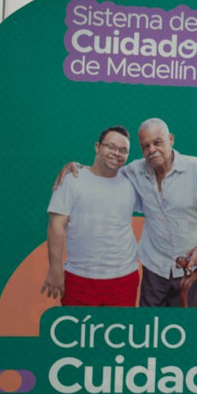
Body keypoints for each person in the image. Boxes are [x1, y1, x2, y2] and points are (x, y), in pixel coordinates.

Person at [125, 118, 197, 307]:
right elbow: (105, 176)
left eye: (157, 142)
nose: (151, 150)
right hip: (154, 265)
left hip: (191, 267)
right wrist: (77, 168)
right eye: (145, 146)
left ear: (171, 139)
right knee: (148, 328)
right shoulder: (135, 170)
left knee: (185, 329)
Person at [42, 125, 139, 306]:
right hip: (79, 278)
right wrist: (55, 268)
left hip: (123, 279)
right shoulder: (72, 180)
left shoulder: (132, 182)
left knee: (119, 334)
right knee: (76, 333)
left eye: (123, 150)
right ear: (97, 147)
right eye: (110, 146)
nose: (116, 153)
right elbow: (56, 225)